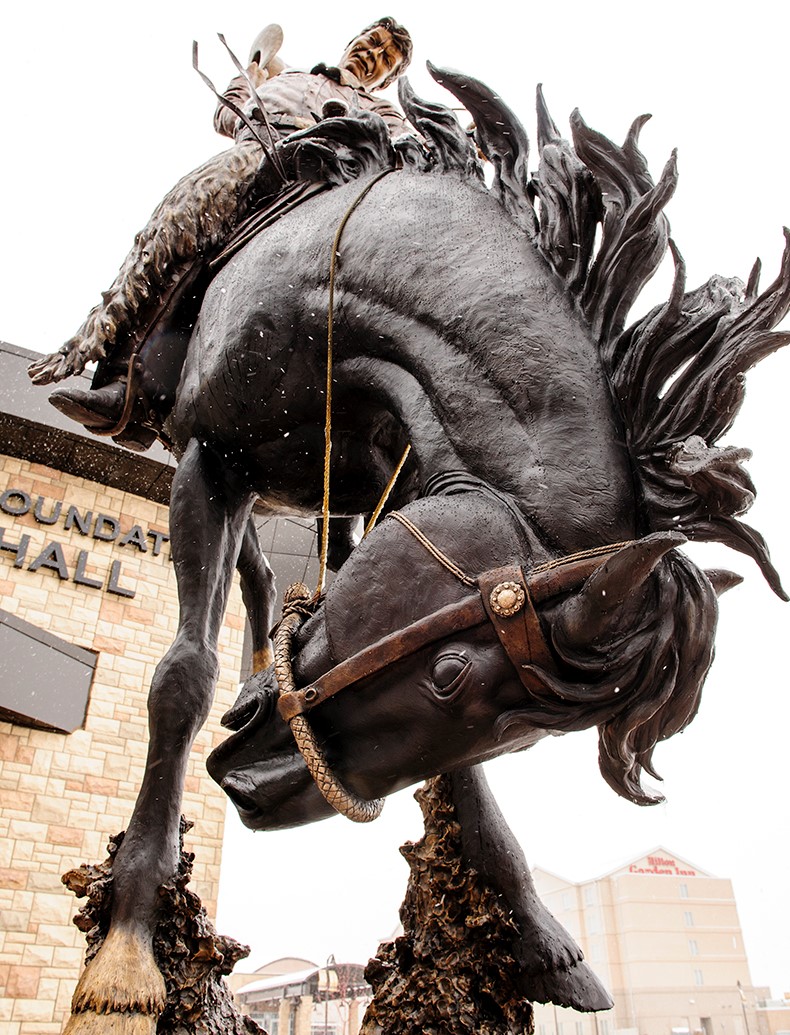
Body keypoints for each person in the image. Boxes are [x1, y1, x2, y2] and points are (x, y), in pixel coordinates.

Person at [29, 18, 413, 450]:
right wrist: (251, 73)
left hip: (327, 181)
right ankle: (127, 385)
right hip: (260, 155)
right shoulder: (287, 79)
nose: (373, 55)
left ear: (386, 79)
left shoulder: (382, 113)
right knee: (182, 222)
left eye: (385, 60)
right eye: (373, 43)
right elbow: (225, 117)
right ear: (354, 39)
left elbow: (406, 154)